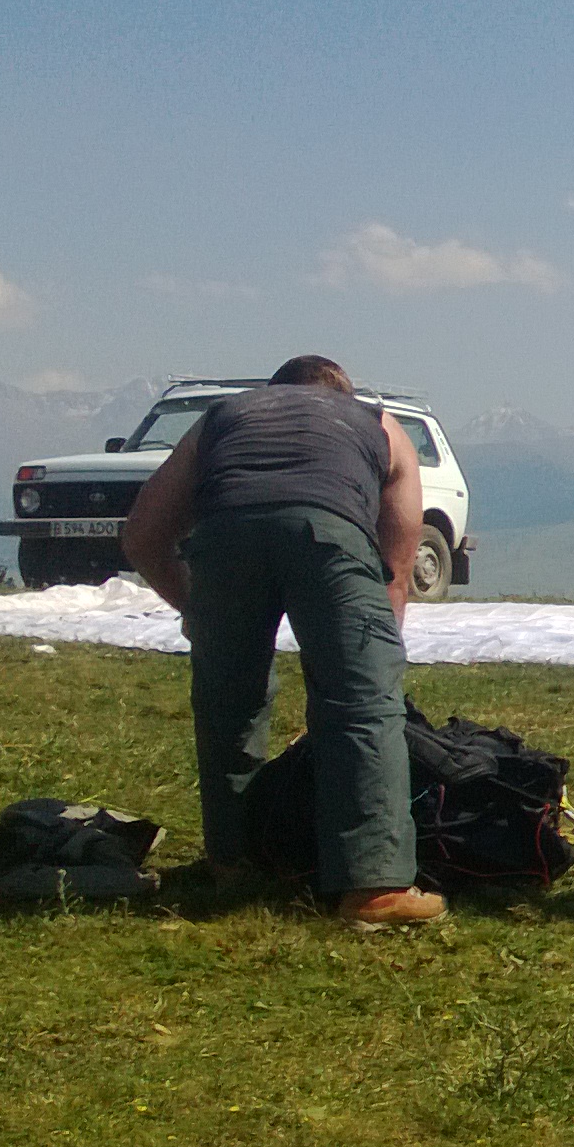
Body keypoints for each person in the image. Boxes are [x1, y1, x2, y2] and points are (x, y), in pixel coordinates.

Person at [122, 355, 443, 925]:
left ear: (273, 393)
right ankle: (372, 887)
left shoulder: (222, 417)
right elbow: (397, 565)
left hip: (225, 536)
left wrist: (195, 607)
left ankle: (235, 865)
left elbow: (144, 534)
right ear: (342, 394)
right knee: (361, 706)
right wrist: (375, 649)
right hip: (329, 534)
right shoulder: (377, 423)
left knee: (229, 705)